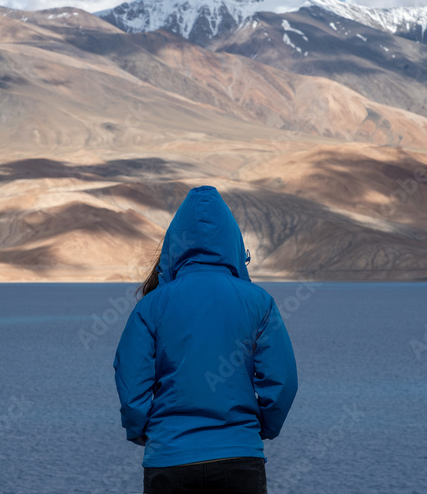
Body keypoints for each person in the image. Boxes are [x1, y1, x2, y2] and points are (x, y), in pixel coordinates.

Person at [113, 185, 299, 494]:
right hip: (239, 457)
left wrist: (141, 431)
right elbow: (282, 380)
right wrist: (263, 428)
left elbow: (131, 380)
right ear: (234, 244)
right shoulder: (258, 302)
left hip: (169, 459)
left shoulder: (152, 305)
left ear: (174, 244)